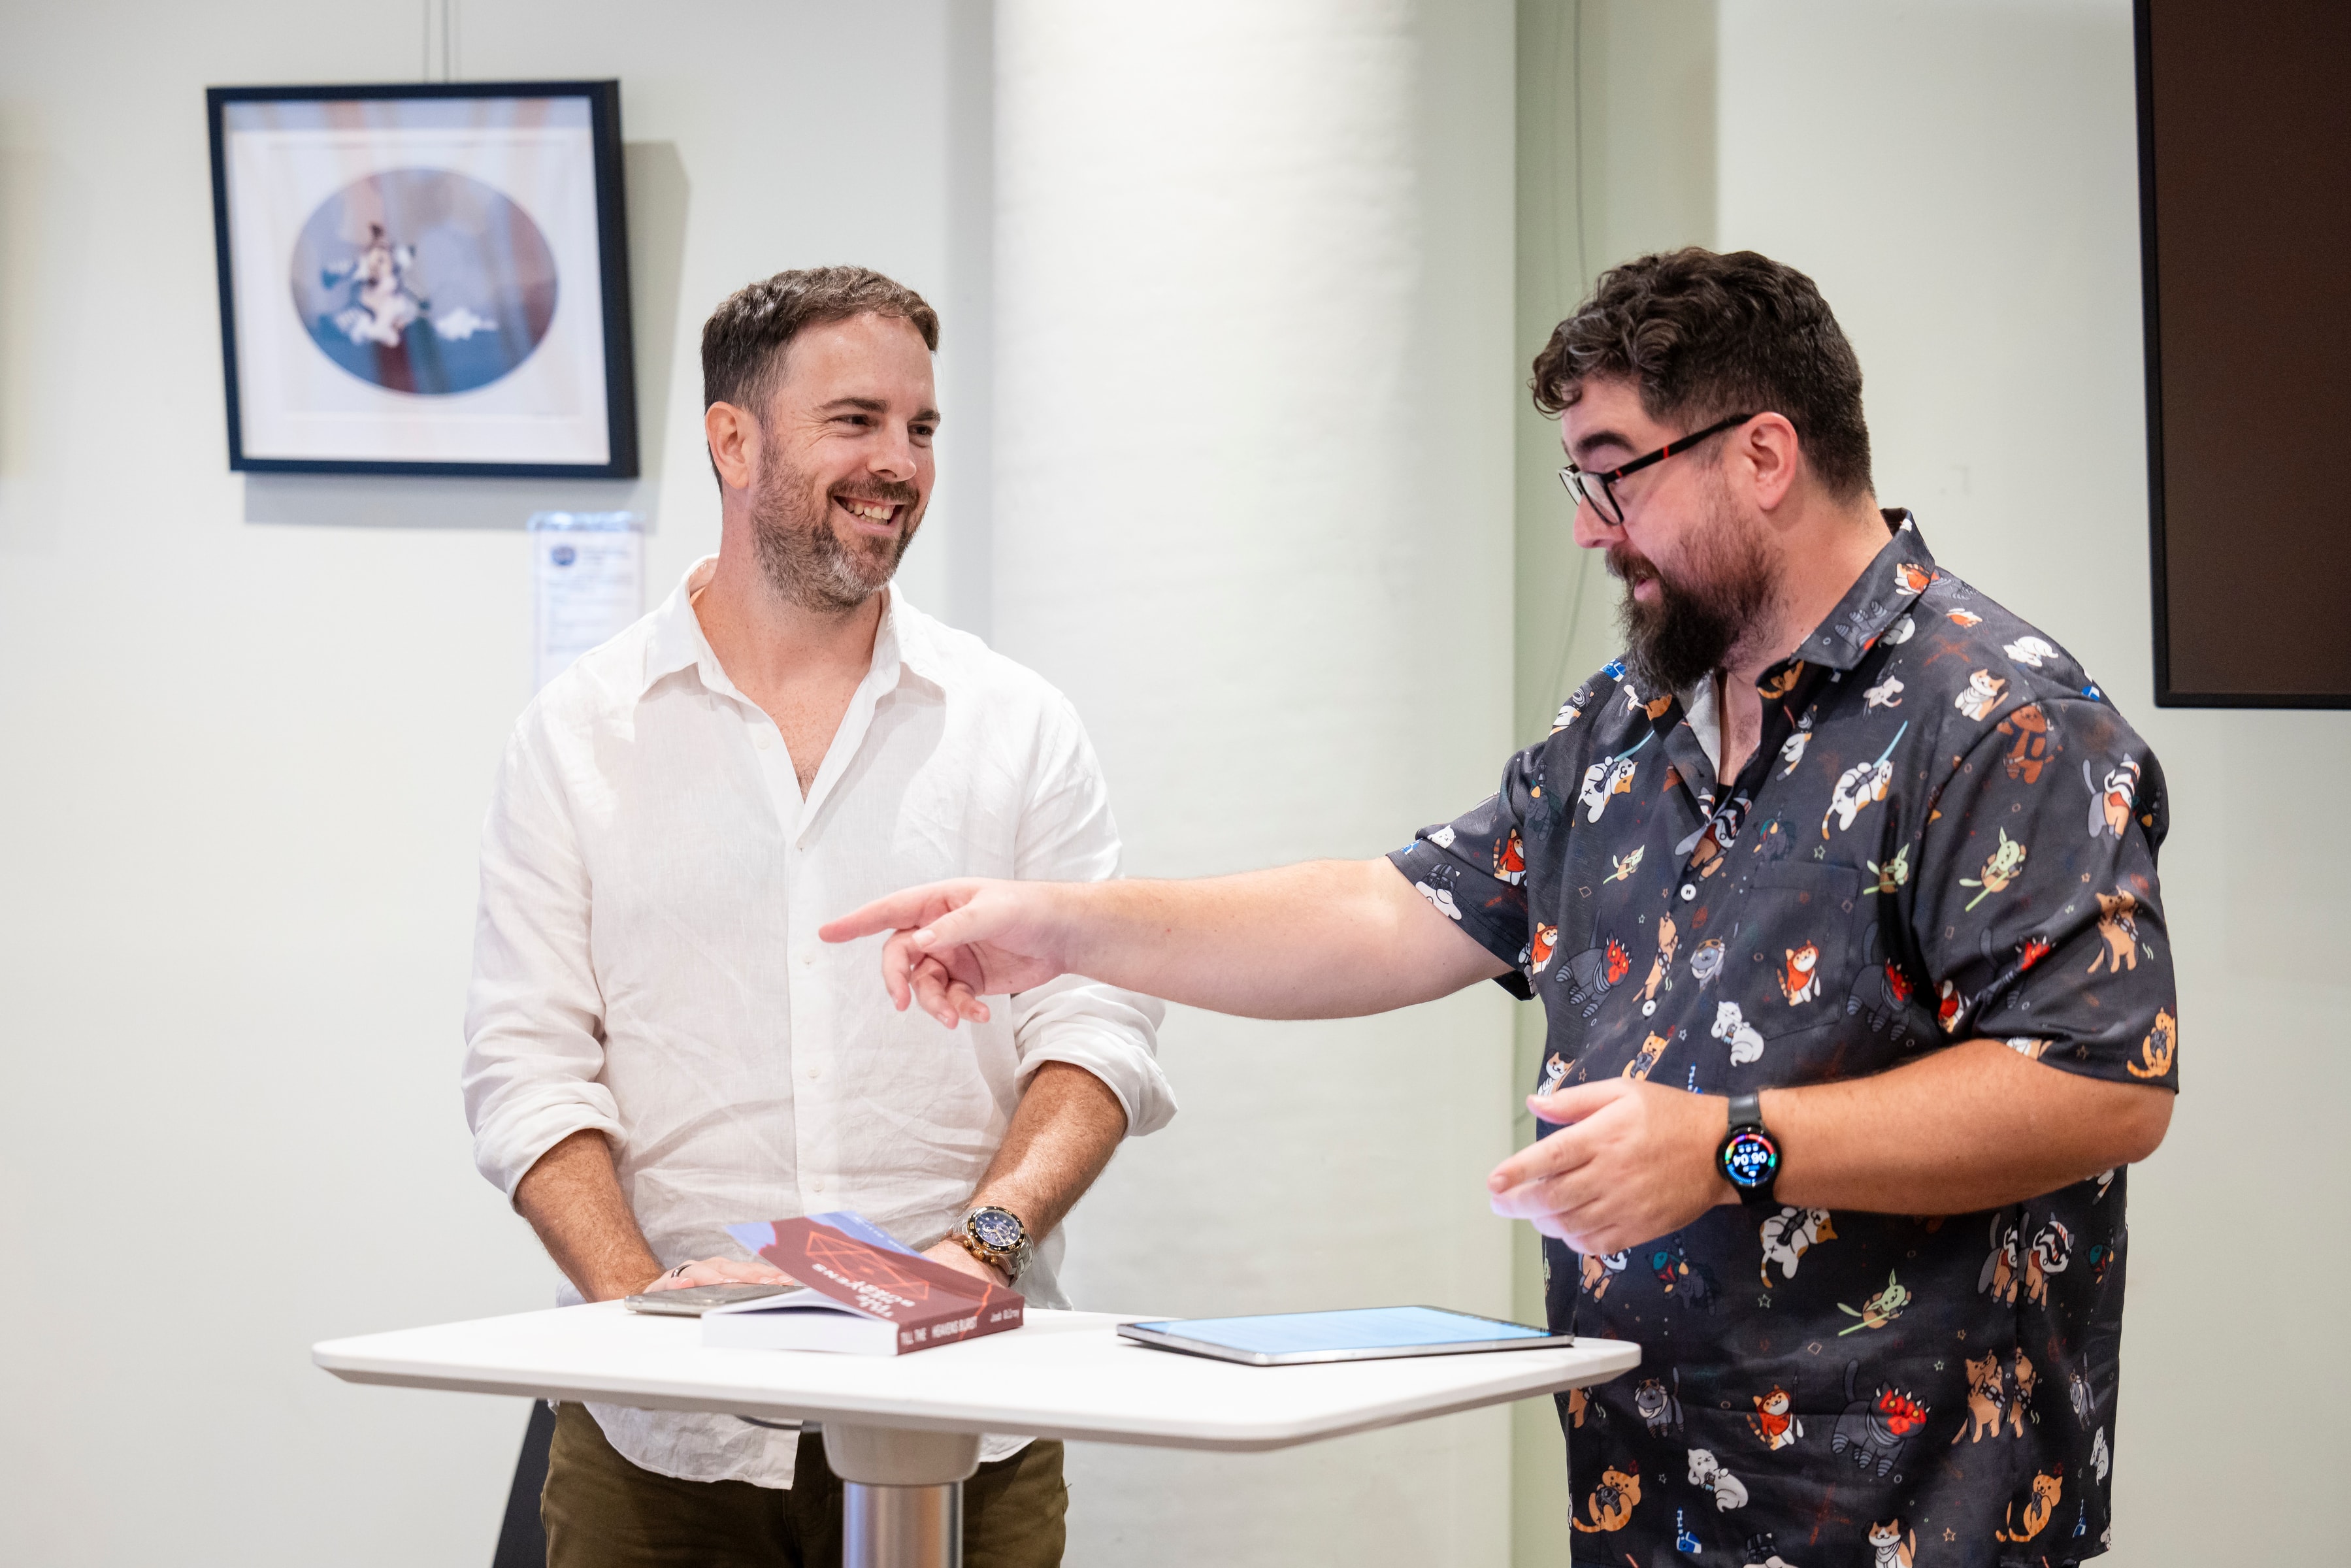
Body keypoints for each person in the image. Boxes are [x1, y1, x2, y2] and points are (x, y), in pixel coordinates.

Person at [823, 249, 2176, 1565]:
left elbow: (2098, 1087)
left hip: (1916, 1503)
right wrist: (1060, 926)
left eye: (1613, 476)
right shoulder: (1629, 724)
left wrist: (1730, 1146)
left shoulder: (1997, 718)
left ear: (1762, 457)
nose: (1590, 528)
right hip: (1648, 1485)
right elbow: (1386, 911)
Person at [463, 265, 1174, 1568]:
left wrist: (986, 1242)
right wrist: (637, 1313)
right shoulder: (576, 737)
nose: (897, 463)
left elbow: (1102, 1025)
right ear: (733, 439)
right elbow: (525, 1071)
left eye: (920, 428)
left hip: (965, 1422)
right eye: (855, 421)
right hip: (656, 1450)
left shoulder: (1012, 728)